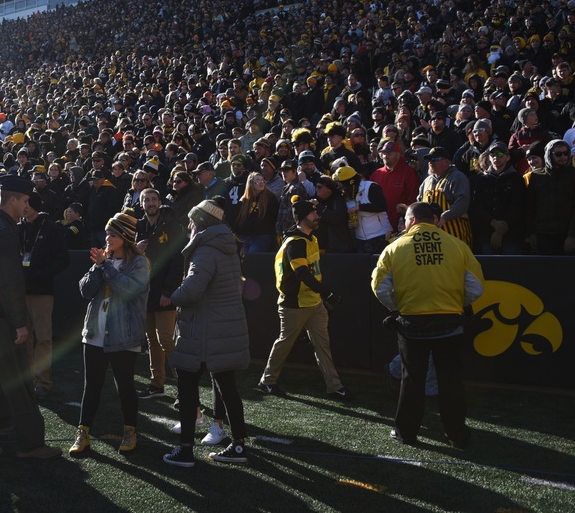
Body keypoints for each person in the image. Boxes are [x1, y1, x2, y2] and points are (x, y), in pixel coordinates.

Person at [371, 202, 484, 448]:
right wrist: (457, 304)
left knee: (411, 381)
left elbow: (380, 288)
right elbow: (476, 287)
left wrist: (398, 308)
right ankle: (457, 435)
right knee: (450, 381)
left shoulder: (395, 247)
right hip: (450, 322)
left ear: (410, 220)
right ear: (434, 220)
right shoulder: (457, 245)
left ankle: (406, 434)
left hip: (413, 324)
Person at [0, 176, 61, 460]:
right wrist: (20, 323)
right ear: (13, 199)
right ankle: (30, 444)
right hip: (0, 320)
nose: (27, 206)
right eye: (25, 200)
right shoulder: (4, 230)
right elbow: (9, 282)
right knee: (20, 385)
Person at [163, 199, 250, 467]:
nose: (188, 226)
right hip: (223, 327)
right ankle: (238, 446)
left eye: (191, 221)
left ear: (200, 223)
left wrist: (172, 296)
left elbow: (192, 290)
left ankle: (186, 450)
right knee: (227, 386)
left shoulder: (205, 251)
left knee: (187, 387)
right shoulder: (226, 247)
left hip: (203, 330)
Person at [69, 210, 150, 456]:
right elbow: (84, 291)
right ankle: (83, 432)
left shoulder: (139, 262)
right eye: (107, 233)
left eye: (113, 234)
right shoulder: (103, 260)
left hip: (124, 334)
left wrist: (106, 266)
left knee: (125, 385)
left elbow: (128, 290)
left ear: (125, 237)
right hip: (94, 331)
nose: (108, 239)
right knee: (91, 385)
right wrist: (97, 268)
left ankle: (130, 431)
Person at [257, 201, 352, 400]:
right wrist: (327, 293)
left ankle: (334, 386)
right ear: (301, 217)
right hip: (295, 303)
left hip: (313, 301)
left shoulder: (310, 238)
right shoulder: (295, 242)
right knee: (285, 343)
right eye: (312, 213)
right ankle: (267, 381)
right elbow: (302, 274)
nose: (317, 216)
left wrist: (321, 295)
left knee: (322, 345)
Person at [135, 187, 185, 400]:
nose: (150, 203)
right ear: (142, 204)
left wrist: (168, 291)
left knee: (166, 339)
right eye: (146, 200)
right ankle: (157, 384)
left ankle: (185, 385)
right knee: (151, 340)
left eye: (154, 199)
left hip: (164, 292)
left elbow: (177, 262)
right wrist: (136, 249)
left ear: (160, 201)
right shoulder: (139, 227)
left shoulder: (172, 227)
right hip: (145, 292)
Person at [21, 192, 70, 400]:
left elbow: (63, 259)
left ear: (32, 205)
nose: (22, 207)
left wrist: (42, 274)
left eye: (25, 203)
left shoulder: (50, 228)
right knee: (23, 338)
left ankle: (43, 382)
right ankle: (26, 380)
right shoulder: (18, 227)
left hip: (41, 291)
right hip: (20, 291)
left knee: (43, 338)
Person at [418, 147, 472, 248]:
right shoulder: (426, 181)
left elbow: (462, 202)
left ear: (446, 162)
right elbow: (419, 203)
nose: (430, 162)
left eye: (434, 159)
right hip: (431, 239)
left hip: (455, 236)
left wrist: (444, 217)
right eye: (429, 160)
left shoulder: (457, 177)